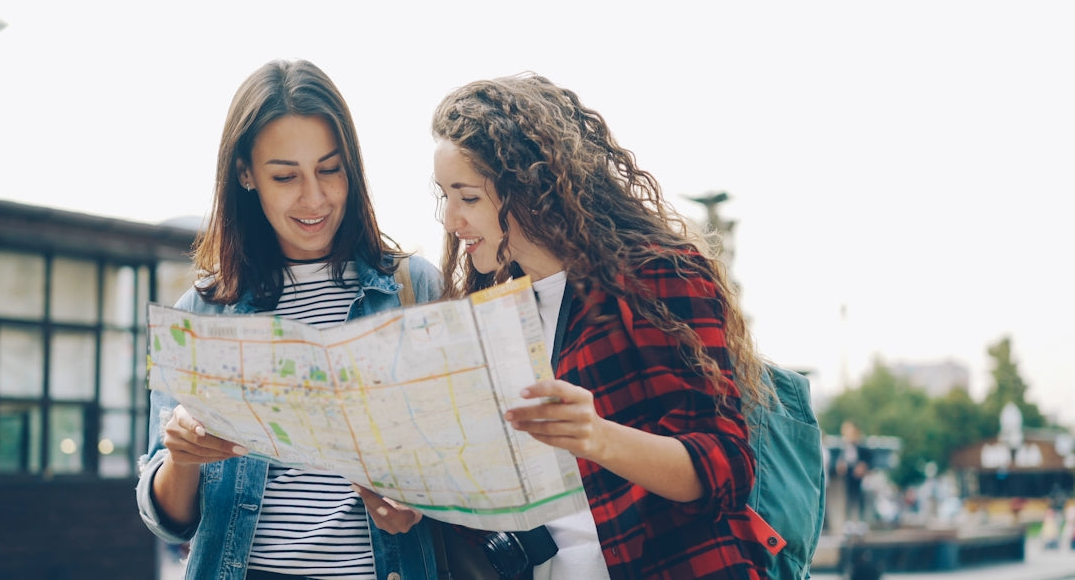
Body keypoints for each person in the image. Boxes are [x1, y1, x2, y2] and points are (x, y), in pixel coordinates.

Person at [427, 73, 775, 579]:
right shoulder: (493, 316)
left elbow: (726, 466)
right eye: (446, 197)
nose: (451, 220)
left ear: (529, 189)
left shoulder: (656, 276)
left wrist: (597, 437)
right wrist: (417, 501)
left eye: (469, 198)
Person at [136, 59, 444, 580]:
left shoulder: (414, 291)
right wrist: (183, 457)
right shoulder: (201, 313)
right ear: (245, 174)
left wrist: (421, 501)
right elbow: (168, 521)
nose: (314, 198)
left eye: (330, 169)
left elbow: (460, 463)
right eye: (285, 176)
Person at [836, 419, 872, 527]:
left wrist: (863, 467)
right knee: (848, 497)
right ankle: (849, 522)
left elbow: (868, 459)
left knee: (860, 497)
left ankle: (861, 521)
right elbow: (842, 459)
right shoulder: (844, 446)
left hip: (860, 474)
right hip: (848, 473)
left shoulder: (862, 445)